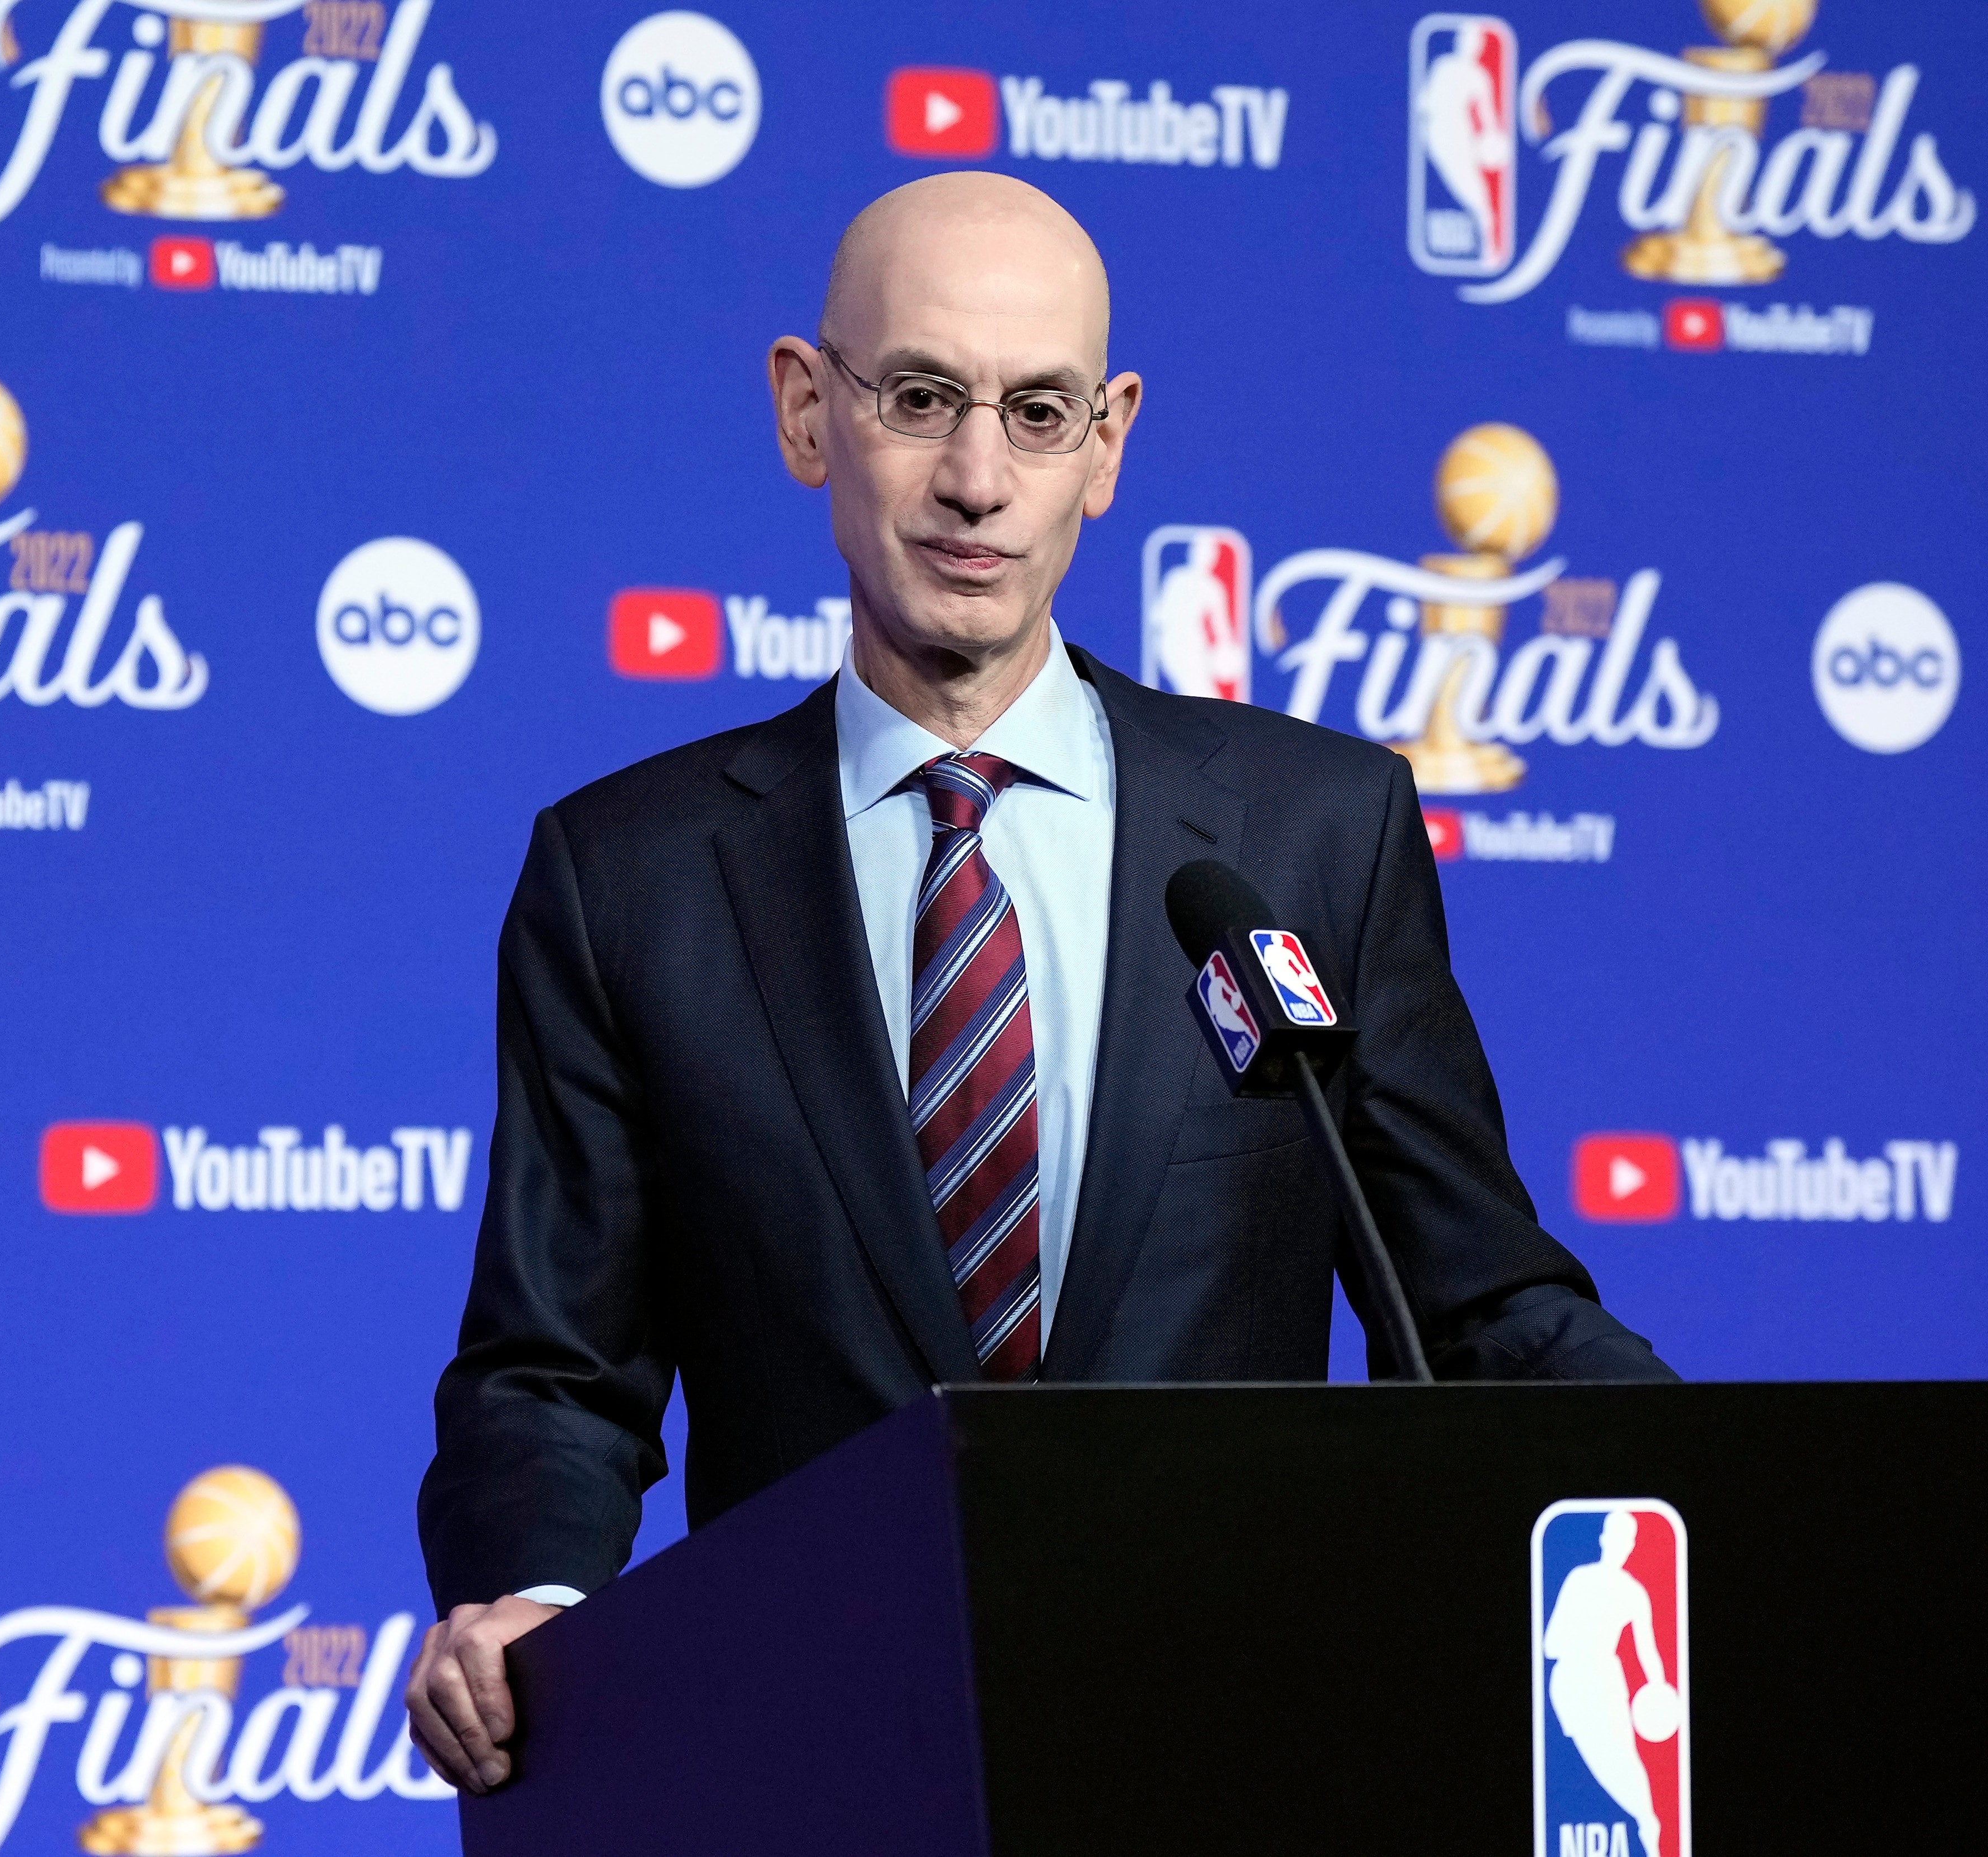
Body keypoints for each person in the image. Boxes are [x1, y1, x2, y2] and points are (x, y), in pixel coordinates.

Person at [406, 172, 1676, 1794]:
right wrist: (533, 1598)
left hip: (1237, 1764)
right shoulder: (628, 879)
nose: (977, 478)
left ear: (1108, 442)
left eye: (1036, 410)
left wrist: (1727, 1489)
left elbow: (1478, 1302)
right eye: (918, 396)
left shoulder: (1309, 832)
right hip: (823, 1766)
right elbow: (554, 1372)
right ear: (805, 410)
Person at [1542, 1512, 1675, 1857]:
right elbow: (1549, 1644)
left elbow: (1648, 1652)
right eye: (1615, 1537)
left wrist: (1660, 1693)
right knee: (1598, 1760)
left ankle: (1648, 1825)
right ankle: (1644, 1822)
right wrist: (1583, 1638)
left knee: (1623, 1756)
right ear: (1603, 1539)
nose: (1620, 1545)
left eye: (1626, 1539)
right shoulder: (1579, 1580)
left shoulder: (1634, 1593)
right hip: (1571, 1681)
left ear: (1631, 1546)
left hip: (1604, 1677)